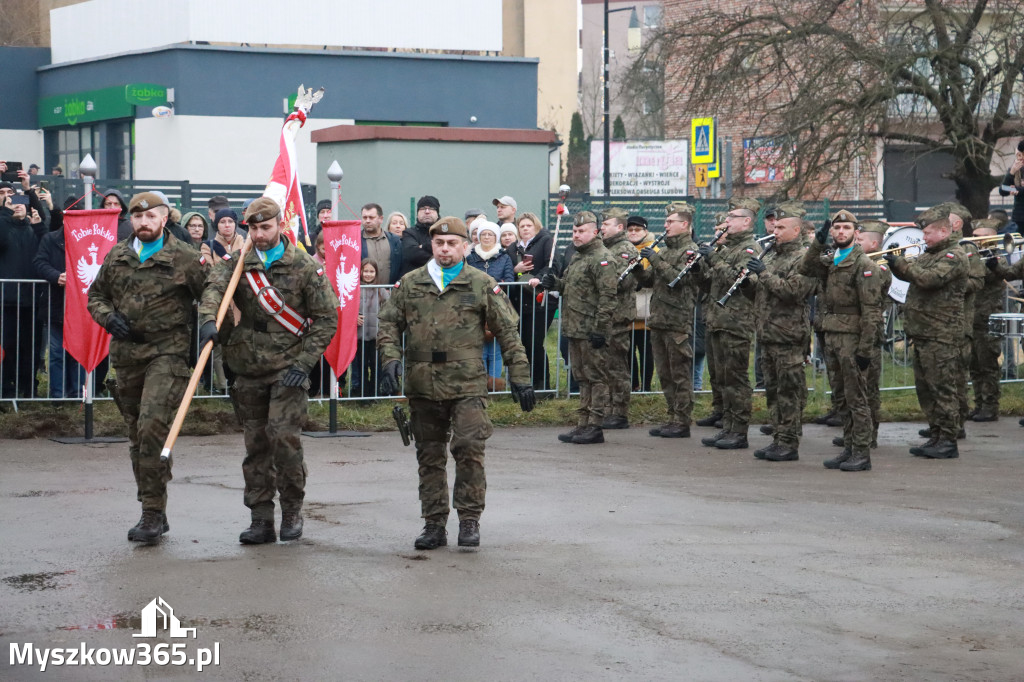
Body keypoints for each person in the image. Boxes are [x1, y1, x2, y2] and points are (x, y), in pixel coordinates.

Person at [377, 216, 534, 550]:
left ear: (465, 246)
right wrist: (389, 359)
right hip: (423, 384)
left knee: (469, 450)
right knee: (429, 456)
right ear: (432, 246)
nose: (445, 249)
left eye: (452, 244)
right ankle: (434, 524)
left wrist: (520, 376)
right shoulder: (410, 283)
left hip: (467, 384)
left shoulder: (481, 283)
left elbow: (507, 331)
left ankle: (469, 520)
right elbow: (388, 324)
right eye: (439, 243)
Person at [199, 197, 338, 544]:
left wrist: (305, 363)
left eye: (266, 227)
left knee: (283, 439)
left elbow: (327, 318)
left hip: (289, 366)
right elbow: (214, 288)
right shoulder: (239, 262)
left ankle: (292, 509)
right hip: (247, 365)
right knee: (256, 444)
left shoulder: (304, 266)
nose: (259, 234)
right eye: (254, 228)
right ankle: (261, 518)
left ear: (279, 225)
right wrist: (208, 320)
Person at [87, 192, 208, 542]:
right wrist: (107, 317)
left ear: (164, 218)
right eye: (137, 217)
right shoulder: (118, 255)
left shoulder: (185, 256)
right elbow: (96, 295)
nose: (143, 222)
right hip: (127, 355)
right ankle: (153, 505)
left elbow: (212, 293)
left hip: (167, 353)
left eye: (151, 216)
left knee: (153, 426)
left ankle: (152, 513)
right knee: (137, 434)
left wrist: (212, 325)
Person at [800, 210, 884, 471]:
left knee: (857, 398)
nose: (840, 232)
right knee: (840, 397)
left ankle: (861, 452)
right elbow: (806, 268)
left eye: (846, 228)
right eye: (837, 228)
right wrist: (817, 242)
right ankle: (848, 447)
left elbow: (871, 311)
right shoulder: (831, 260)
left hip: (852, 338)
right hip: (831, 334)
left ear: (856, 233)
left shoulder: (864, 265)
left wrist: (865, 349)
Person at [885, 205, 968, 460]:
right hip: (923, 331)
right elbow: (911, 275)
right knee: (926, 389)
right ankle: (936, 434)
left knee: (942, 389)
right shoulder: (931, 253)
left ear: (944, 231)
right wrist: (895, 263)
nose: (924, 237)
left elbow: (929, 279)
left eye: (928, 233)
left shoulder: (953, 255)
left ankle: (948, 439)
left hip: (941, 333)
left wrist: (902, 264)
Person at [536, 211, 617, 444]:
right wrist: (556, 284)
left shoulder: (603, 258)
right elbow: (573, 288)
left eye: (581, 231)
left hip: (591, 329)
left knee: (596, 378)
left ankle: (595, 425)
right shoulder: (577, 256)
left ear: (595, 232)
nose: (576, 235)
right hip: (575, 327)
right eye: (574, 231)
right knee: (581, 377)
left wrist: (600, 329)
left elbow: (608, 297)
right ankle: (583, 423)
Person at [746, 203, 816, 461]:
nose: (775, 231)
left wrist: (763, 275)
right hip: (768, 334)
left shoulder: (804, 259)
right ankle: (778, 438)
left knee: (789, 393)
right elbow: (761, 293)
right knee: (774, 392)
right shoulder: (772, 255)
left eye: (781, 227)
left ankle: (789, 443)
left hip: (788, 335)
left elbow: (793, 292)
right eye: (774, 227)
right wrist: (747, 284)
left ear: (796, 230)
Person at [635, 202, 702, 437]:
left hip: (677, 320)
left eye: (670, 222)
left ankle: (682, 420)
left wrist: (654, 259)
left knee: (679, 373)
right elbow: (650, 280)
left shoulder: (690, 251)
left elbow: (678, 279)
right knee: (664, 373)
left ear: (684, 225)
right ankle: (672, 416)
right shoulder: (665, 251)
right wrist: (638, 269)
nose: (666, 226)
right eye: (666, 222)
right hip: (659, 319)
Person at [700, 198, 760, 450]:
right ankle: (727, 426)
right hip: (718, 320)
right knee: (722, 379)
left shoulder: (749, 248)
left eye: (731, 217)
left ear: (746, 221)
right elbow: (711, 283)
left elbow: (738, 279)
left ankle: (739, 431)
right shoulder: (727, 248)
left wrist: (713, 258)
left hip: (736, 322)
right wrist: (699, 265)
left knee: (736, 379)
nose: (726, 221)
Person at [0, 188, 48, 399]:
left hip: (31, 300)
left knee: (30, 348)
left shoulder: (32, 228)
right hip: (6, 301)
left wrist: (37, 224)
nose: (17, 205)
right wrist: (5, 212)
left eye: (21, 202)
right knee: (6, 347)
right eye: (13, 201)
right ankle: (5, 388)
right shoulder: (3, 224)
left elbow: (45, 247)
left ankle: (28, 388)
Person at [598, 207, 639, 430]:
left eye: (606, 224)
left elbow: (623, 281)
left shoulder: (625, 249)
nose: (602, 227)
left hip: (618, 314)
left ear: (619, 227)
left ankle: (619, 411)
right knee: (604, 366)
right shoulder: (604, 247)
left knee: (616, 366)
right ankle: (606, 407)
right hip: (604, 315)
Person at [853, 220, 892, 448]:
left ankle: (870, 434)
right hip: (855, 329)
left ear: (874, 244)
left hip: (871, 333)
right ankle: (857, 432)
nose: (855, 243)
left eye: (860, 240)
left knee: (869, 387)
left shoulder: (880, 267)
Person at [509, 212, 556, 391]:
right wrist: (516, 269)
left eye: (529, 225)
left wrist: (539, 278)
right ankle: (526, 383)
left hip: (541, 301)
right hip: (520, 301)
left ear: (536, 226)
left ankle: (542, 384)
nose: (525, 229)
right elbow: (506, 269)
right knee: (523, 343)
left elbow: (553, 265)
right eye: (522, 226)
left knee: (535, 342)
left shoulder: (546, 241)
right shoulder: (513, 248)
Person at [467, 220, 515, 390]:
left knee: (495, 349)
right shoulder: (470, 258)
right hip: (476, 307)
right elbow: (467, 280)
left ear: (496, 238)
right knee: (480, 348)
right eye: (483, 234)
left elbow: (509, 281)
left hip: (497, 306)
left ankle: (495, 385)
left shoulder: (504, 257)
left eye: (490, 234)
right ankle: (480, 383)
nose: (487, 237)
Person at [970, 219, 1005, 421]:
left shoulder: (998, 258)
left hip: (988, 318)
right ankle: (979, 404)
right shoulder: (972, 256)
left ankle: (990, 406)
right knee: (974, 365)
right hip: (972, 317)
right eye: (975, 236)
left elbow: (989, 275)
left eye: (982, 236)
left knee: (988, 364)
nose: (977, 240)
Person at [626, 215, 657, 393]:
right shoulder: (623, 248)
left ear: (645, 231)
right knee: (628, 351)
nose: (633, 233)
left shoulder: (653, 249)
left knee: (646, 352)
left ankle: (646, 387)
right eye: (630, 229)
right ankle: (633, 385)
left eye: (637, 229)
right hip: (627, 312)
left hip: (646, 311)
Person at [354, 259, 389, 397]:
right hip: (360, 336)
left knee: (376, 365)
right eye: (365, 271)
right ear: (360, 272)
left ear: (376, 273)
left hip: (376, 336)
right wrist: (353, 317)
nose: (368, 274)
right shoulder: (354, 289)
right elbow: (347, 309)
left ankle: (375, 392)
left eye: (371, 271)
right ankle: (363, 392)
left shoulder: (381, 290)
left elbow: (388, 309)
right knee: (361, 365)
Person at [360, 202, 403, 284]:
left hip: (391, 290)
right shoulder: (356, 241)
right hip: (365, 290)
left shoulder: (394, 240)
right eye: (364, 217)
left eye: (371, 217)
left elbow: (401, 266)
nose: (367, 221)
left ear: (381, 219)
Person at [399, 195, 440, 278]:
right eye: (423, 208)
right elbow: (412, 255)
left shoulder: (444, 233)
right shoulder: (409, 233)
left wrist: (424, 246)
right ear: (417, 213)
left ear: (437, 214)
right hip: (414, 281)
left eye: (431, 208)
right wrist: (437, 250)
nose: (427, 212)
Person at [996, 140, 1024, 234]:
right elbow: (1002, 190)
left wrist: (1018, 189)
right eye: (1019, 155)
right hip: (1019, 218)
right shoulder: (1016, 169)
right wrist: (1011, 173)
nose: (1021, 158)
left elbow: (1018, 190)